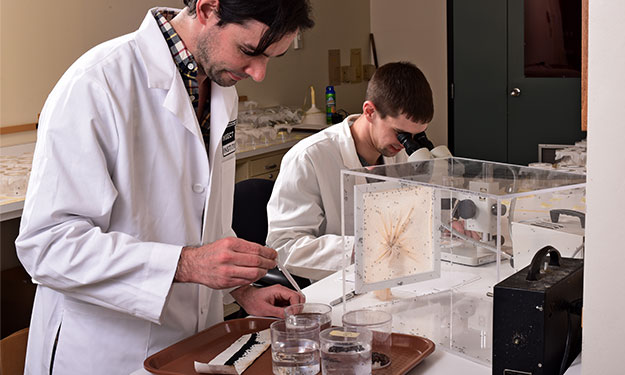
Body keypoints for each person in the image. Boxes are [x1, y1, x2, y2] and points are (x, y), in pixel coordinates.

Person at [15, 1, 313, 374]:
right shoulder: (97, 83)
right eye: (249, 51)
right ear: (206, 9)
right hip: (105, 350)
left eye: (272, 57)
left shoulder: (221, 85)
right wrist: (186, 264)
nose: (258, 73)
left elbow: (201, 219)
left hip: (191, 342)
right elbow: (47, 245)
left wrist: (241, 290)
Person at [266, 62, 434, 281]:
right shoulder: (309, 157)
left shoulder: (401, 153)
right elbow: (285, 248)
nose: (406, 144)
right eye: (400, 134)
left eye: (417, 136)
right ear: (370, 111)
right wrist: (361, 249)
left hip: (396, 275)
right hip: (336, 285)